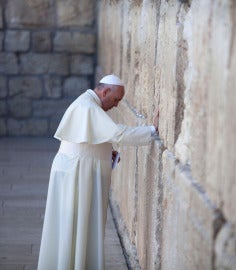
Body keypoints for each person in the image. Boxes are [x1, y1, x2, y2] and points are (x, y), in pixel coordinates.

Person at [37, 74, 159, 270]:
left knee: (76, 227)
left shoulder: (87, 104)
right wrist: (152, 130)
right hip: (77, 175)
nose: (117, 105)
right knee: (73, 226)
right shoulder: (88, 107)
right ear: (105, 91)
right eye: (116, 99)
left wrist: (105, 151)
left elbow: (87, 140)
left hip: (75, 171)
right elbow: (118, 133)